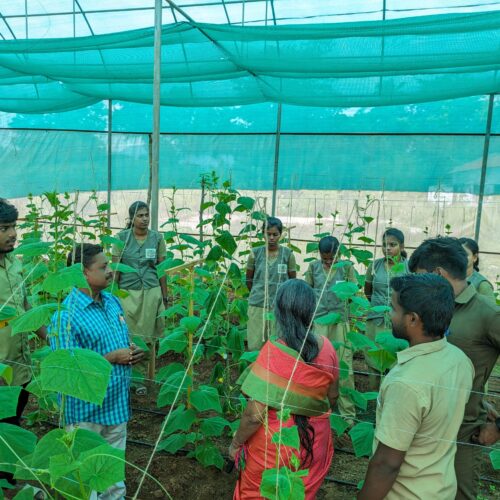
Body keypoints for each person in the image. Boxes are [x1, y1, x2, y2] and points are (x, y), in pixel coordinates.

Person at [358, 274, 474, 500]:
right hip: (441, 489)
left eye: (393, 309)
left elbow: (387, 464)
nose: (389, 315)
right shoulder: (459, 360)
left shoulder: (406, 383)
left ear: (412, 319)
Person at [49, 244, 144, 500]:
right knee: (84, 473)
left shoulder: (112, 302)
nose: (111, 271)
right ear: (82, 272)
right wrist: (112, 357)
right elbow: (67, 372)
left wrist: (130, 350)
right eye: (103, 267)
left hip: (115, 404)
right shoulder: (65, 316)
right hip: (85, 411)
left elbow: (119, 340)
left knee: (111, 469)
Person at [409, 237, 500, 500]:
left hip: (463, 432)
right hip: (421, 426)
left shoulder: (487, 314)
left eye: (420, 278)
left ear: (438, 274)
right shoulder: (431, 307)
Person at [230, 279, 339, 499]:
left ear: (278, 311)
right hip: (313, 438)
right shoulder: (327, 347)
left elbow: (254, 416)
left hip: (275, 445)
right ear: (311, 310)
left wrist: (235, 444)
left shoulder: (273, 352)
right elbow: (333, 396)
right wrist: (307, 405)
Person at [0, 198, 47, 487]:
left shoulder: (14, 263)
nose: (13, 234)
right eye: (4, 228)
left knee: (11, 423)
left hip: (19, 364)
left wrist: (48, 335)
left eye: (14, 227)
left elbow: (26, 305)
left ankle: (7, 478)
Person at [112, 201, 167, 394]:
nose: (144, 219)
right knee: (129, 335)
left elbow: (161, 269)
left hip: (151, 293)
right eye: (140, 216)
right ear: (131, 218)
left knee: (148, 337)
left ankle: (142, 380)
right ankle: (129, 378)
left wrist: (164, 296)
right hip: (128, 294)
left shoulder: (157, 238)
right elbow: (116, 270)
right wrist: (112, 297)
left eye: (146, 215)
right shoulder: (121, 239)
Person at [304, 235, 357, 425]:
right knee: (317, 364)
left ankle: (347, 414)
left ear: (339, 254)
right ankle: (317, 410)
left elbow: (352, 293)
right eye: (324, 258)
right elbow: (307, 292)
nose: (327, 262)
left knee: (344, 365)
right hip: (319, 321)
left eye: (331, 258)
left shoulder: (347, 268)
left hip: (340, 322)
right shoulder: (313, 268)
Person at [364, 228, 409, 390]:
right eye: (384, 245)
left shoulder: (408, 268)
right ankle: (374, 395)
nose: (387, 248)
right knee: (373, 356)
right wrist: (377, 306)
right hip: (376, 319)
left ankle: (390, 394)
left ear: (402, 247)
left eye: (392, 244)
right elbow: (367, 291)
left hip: (398, 323)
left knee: (394, 358)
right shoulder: (374, 266)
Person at [245, 217, 296, 351]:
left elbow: (292, 282)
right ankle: (256, 370)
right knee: (255, 343)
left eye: (275, 234)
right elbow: (248, 280)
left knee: (278, 343)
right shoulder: (254, 254)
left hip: (279, 307)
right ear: (263, 234)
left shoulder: (288, 254)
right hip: (258, 305)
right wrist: (259, 293)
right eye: (268, 234)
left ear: (281, 234)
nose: (271, 238)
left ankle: (275, 371)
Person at [458, 237, 495, 302]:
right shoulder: (449, 278)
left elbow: (492, 310)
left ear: (474, 257)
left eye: (465, 254)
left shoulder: (482, 285)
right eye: (457, 254)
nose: (460, 257)